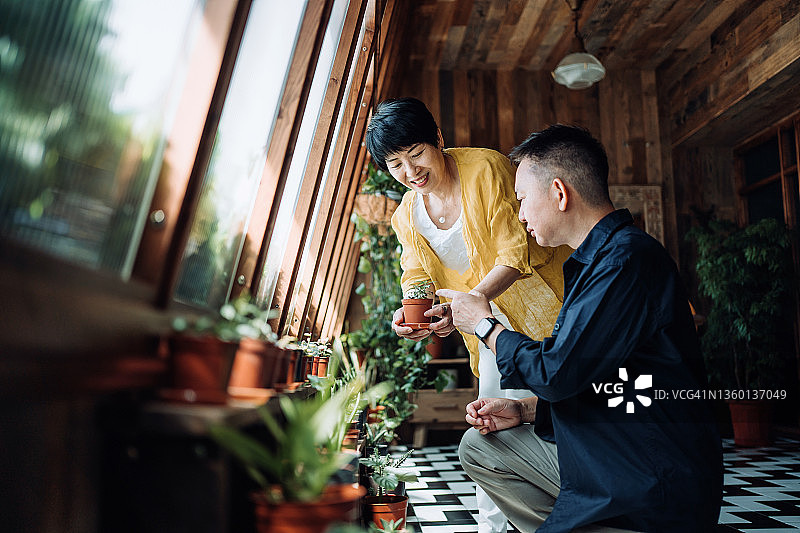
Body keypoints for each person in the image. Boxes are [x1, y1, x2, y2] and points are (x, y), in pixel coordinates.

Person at [439, 124, 723, 533]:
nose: (519, 215)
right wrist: (524, 410)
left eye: (522, 199)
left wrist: (485, 325)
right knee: (481, 447)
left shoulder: (625, 262)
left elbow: (556, 373)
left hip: (650, 475)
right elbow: (600, 379)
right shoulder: (599, 261)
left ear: (559, 192)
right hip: (616, 448)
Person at [365, 97, 572, 533]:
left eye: (417, 153)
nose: (410, 172)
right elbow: (415, 274)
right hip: (483, 326)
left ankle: (578, 513)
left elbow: (515, 253)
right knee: (493, 425)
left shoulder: (486, 168)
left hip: (543, 309)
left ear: (439, 138)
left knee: (564, 409)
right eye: (396, 164)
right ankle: (492, 529)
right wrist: (415, 315)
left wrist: (470, 304)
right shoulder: (407, 213)